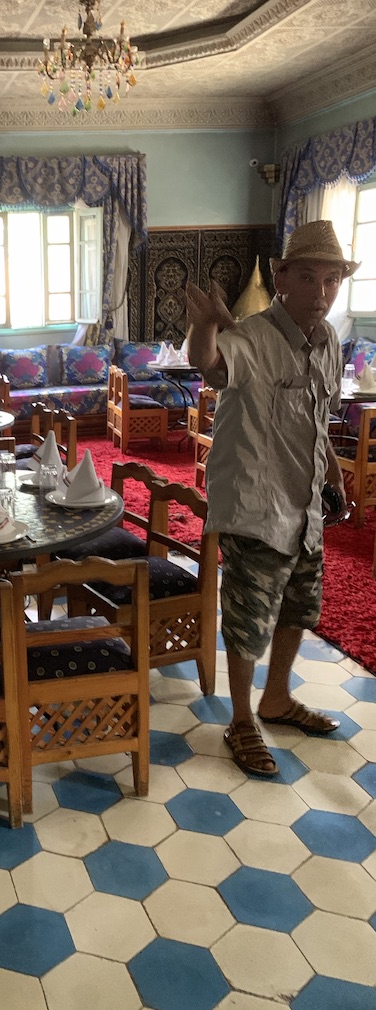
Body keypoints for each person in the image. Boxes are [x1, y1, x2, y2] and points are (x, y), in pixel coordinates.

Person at [186, 220, 358, 776]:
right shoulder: (254, 337)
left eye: (331, 280)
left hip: (304, 505)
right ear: (281, 278)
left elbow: (318, 416)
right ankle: (241, 719)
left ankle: (277, 697)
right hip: (256, 504)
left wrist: (333, 472)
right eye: (307, 277)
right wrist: (205, 326)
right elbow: (210, 363)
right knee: (247, 617)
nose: (321, 292)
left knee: (299, 607)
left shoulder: (328, 342)